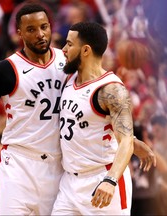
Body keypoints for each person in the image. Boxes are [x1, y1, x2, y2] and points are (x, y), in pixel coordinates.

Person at [0, 3, 156, 215]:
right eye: (31, 29)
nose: (40, 34)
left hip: (58, 169)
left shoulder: (68, 64)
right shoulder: (5, 71)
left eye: (44, 27)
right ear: (19, 33)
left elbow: (90, 108)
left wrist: (129, 139)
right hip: (18, 165)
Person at [51, 21, 134, 215]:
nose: (64, 49)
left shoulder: (111, 89)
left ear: (86, 50)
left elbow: (126, 141)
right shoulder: (69, 79)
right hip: (69, 182)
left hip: (102, 179)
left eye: (70, 44)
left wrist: (111, 180)